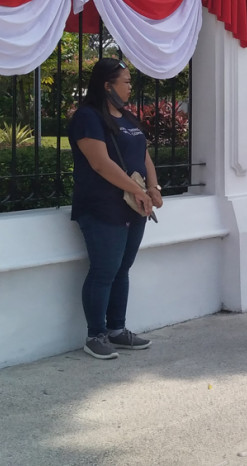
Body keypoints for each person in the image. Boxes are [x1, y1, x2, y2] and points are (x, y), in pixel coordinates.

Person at [68, 58, 163, 360]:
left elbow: (143, 154)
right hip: (102, 206)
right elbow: (100, 163)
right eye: (125, 81)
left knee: (122, 269)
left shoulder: (126, 116)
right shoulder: (88, 117)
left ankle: (117, 330)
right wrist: (137, 191)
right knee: (104, 270)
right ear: (107, 85)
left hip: (135, 206)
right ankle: (95, 334)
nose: (130, 86)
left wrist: (153, 188)